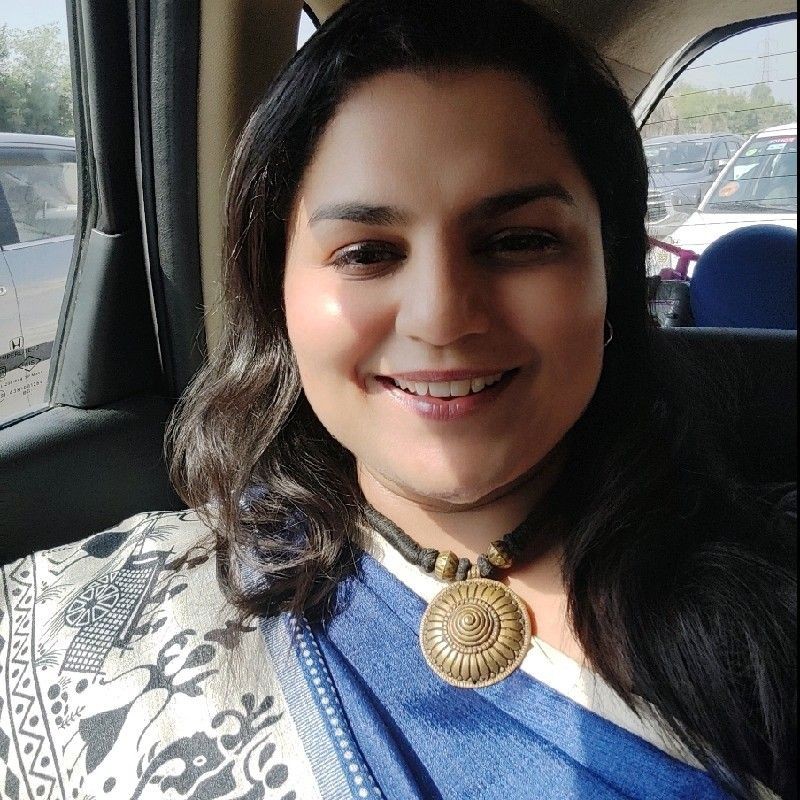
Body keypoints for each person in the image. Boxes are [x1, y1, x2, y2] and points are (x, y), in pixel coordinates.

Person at [0, 2, 794, 799]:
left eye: (518, 241)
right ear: (278, 295)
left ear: (609, 278)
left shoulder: (769, 596)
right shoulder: (97, 625)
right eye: (368, 253)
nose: (442, 317)